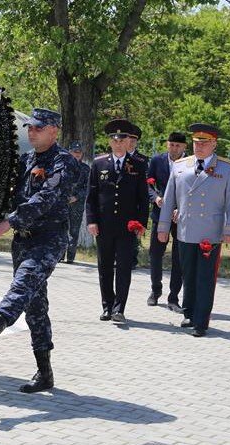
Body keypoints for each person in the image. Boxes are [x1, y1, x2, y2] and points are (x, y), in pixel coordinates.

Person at [0, 108, 74, 393]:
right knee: (35, 305)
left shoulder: (63, 162)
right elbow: (6, 194)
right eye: (30, 127)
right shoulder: (26, 161)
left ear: (54, 130)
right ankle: (44, 372)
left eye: (38, 128)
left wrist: (10, 221)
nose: (32, 132)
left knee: (22, 285)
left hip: (48, 239)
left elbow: (46, 197)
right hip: (23, 241)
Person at [157, 123, 230, 337]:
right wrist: (163, 226)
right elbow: (169, 199)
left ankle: (201, 321)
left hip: (210, 232)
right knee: (189, 274)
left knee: (205, 276)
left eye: (204, 143)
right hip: (186, 229)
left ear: (214, 144)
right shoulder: (180, 166)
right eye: (196, 142)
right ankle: (189, 312)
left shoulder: (228, 168)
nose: (199, 147)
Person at [85, 119, 149, 324]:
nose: (119, 143)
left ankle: (119, 308)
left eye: (122, 139)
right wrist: (92, 221)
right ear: (110, 142)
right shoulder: (99, 163)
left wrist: (141, 223)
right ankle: (107, 306)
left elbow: (142, 198)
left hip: (127, 226)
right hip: (104, 225)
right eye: (115, 139)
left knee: (123, 267)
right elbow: (91, 196)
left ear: (128, 141)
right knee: (104, 266)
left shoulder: (138, 165)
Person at [147, 132, 186, 312]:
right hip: (160, 213)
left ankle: (174, 297)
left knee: (179, 257)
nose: (174, 148)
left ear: (184, 147)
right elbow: (147, 183)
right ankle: (155, 291)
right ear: (167, 145)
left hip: (181, 217)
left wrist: (182, 208)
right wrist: (155, 198)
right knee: (155, 253)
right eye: (171, 145)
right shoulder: (156, 161)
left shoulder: (191, 163)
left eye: (178, 146)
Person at [63, 140, 90, 264]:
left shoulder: (86, 169)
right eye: (75, 152)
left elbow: (88, 187)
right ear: (70, 152)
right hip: (62, 202)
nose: (77, 154)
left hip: (77, 204)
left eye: (79, 152)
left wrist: (76, 197)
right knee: (61, 229)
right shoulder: (62, 166)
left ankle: (70, 257)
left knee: (74, 230)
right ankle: (59, 255)